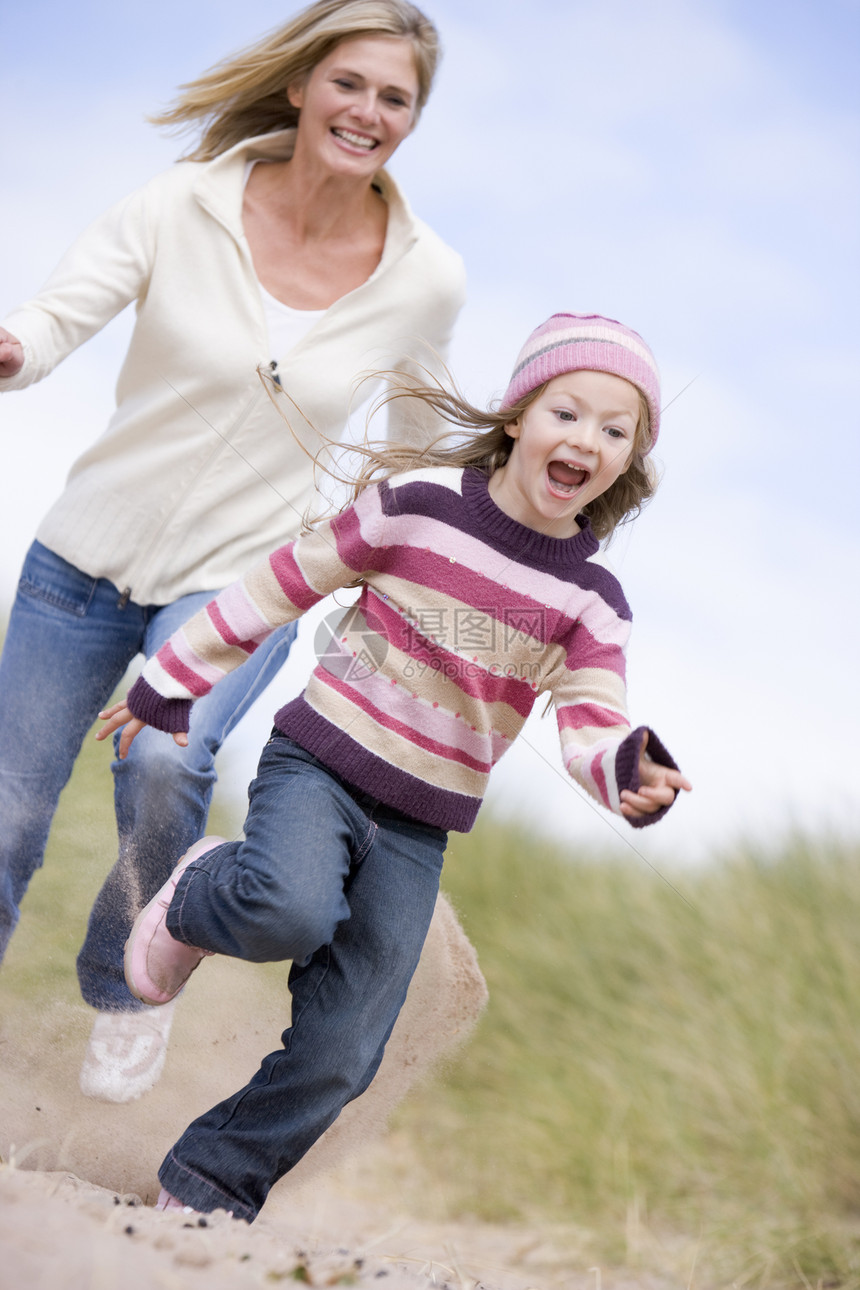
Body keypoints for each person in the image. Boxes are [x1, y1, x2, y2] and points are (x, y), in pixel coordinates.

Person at [97, 311, 693, 1220]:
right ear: (518, 417)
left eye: (617, 432)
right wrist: (169, 682)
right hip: (322, 765)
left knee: (346, 1052)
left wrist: (629, 770)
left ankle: (210, 1184)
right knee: (288, 905)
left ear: (628, 463)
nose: (587, 440)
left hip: (419, 827)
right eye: (567, 413)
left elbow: (589, 723)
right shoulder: (418, 503)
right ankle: (198, 891)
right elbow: (281, 582)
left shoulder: (591, 602)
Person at [0, 0, 470, 1104]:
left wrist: (420, 579)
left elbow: (406, 450)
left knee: (163, 759)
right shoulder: (183, 203)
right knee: (9, 808)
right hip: (80, 562)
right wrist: (14, 349)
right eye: (349, 83)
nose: (367, 111)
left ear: (411, 121)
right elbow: (58, 317)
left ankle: (125, 993)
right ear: (303, 85)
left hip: (242, 583)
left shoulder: (423, 275)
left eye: (394, 97)